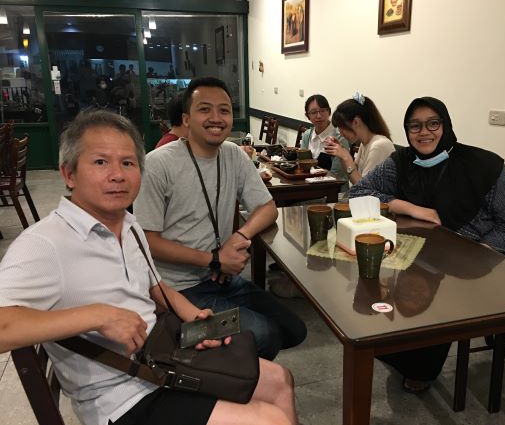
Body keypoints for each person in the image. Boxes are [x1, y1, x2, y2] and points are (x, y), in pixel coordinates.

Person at [0, 109, 298, 425]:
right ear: (69, 174)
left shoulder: (128, 225)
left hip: (163, 358)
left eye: (128, 163)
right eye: (100, 162)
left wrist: (198, 321)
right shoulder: (45, 243)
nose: (118, 174)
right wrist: (97, 315)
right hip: (119, 398)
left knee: (280, 380)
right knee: (270, 420)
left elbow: (157, 286)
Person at [349, 96, 505, 394]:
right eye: (415, 126)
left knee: (438, 296)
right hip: (439, 257)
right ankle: (402, 353)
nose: (424, 132)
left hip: (500, 262)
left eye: (433, 124)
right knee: (388, 294)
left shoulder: (482, 164)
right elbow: (358, 193)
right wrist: (409, 207)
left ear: (446, 126)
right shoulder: (403, 162)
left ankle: (420, 365)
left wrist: (480, 252)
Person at [133, 77, 307, 361]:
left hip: (222, 279)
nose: (216, 118)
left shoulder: (234, 155)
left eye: (224, 110)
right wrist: (213, 259)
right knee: (265, 335)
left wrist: (238, 237)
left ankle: (235, 365)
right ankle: (211, 365)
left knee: (294, 329)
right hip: (178, 289)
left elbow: (267, 208)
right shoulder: (157, 164)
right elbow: (147, 242)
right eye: (205, 109)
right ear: (186, 119)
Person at [325, 92, 395, 185]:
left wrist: (346, 157)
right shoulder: (365, 143)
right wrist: (341, 155)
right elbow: (353, 177)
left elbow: (364, 188)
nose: (341, 134)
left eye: (342, 128)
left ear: (356, 122)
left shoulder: (379, 145)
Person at [299, 94, 349, 182]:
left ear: (329, 112)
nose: (319, 116)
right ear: (307, 116)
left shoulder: (339, 138)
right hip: (308, 184)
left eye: (322, 110)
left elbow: (337, 175)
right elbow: (302, 165)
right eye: (313, 112)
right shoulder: (307, 135)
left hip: (333, 187)